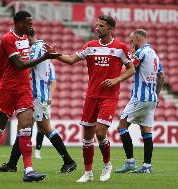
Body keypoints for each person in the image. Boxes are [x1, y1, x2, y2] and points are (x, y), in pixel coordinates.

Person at [0, 11, 60, 182]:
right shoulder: (7, 39)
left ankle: (29, 171)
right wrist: (43, 57)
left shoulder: (25, 38)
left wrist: (47, 55)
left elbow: (28, 59)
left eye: (31, 22)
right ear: (17, 23)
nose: (31, 25)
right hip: (7, 90)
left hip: (24, 89)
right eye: (27, 22)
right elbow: (18, 65)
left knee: (25, 129)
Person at [57, 15, 135, 182]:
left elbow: (131, 69)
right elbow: (71, 59)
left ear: (110, 29)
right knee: (86, 136)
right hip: (91, 96)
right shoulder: (90, 46)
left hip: (109, 96)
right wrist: (54, 55)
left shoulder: (120, 48)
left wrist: (116, 80)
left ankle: (107, 165)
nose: (97, 28)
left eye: (101, 26)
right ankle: (88, 173)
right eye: (97, 25)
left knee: (100, 133)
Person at [0, 29, 76, 173]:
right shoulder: (40, 46)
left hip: (38, 94)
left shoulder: (37, 47)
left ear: (28, 36)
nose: (23, 42)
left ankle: (69, 161)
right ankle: (12, 164)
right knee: (24, 129)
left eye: (24, 39)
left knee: (45, 128)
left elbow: (27, 66)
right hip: (35, 93)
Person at [115, 29, 165, 174]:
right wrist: (157, 95)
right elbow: (161, 76)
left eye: (132, 41)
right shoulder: (154, 55)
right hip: (151, 99)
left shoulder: (140, 52)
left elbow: (130, 67)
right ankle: (147, 166)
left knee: (122, 126)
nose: (131, 44)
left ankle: (130, 162)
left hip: (140, 97)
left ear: (137, 38)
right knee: (146, 131)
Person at [35, 62, 57, 159]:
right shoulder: (30, 62)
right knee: (27, 126)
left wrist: (50, 97)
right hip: (31, 97)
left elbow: (53, 81)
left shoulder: (49, 65)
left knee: (42, 127)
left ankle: (37, 150)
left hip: (43, 99)